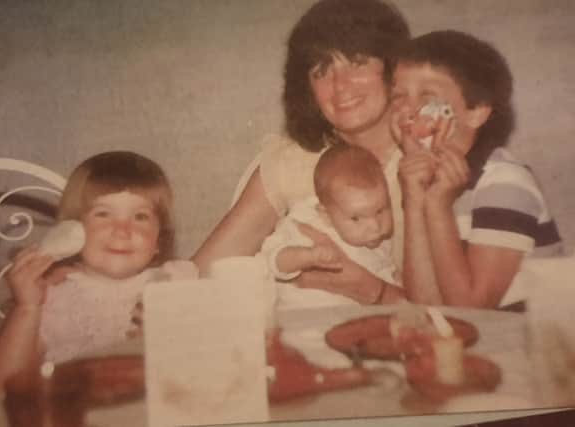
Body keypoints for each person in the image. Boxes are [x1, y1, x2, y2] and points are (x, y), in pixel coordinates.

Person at [193, 0, 410, 305]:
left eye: (357, 62)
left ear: (393, 67)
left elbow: (462, 314)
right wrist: (161, 298)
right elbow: (206, 272)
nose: (340, 86)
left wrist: (375, 291)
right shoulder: (291, 161)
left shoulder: (430, 159)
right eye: (321, 71)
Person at [0, 151, 197, 403]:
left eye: (141, 217)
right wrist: (27, 308)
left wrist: (167, 336)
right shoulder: (51, 296)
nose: (122, 230)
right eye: (103, 214)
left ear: (159, 240)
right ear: (70, 231)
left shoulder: (174, 284)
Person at [391, 30, 563, 308]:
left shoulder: (506, 183)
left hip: (531, 341)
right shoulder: (435, 179)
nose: (409, 110)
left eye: (427, 96)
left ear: (476, 112)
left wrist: (437, 206)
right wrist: (414, 196)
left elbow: (472, 310)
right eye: (398, 97)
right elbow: (426, 303)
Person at [262, 144, 400, 310]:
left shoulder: (377, 240)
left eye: (380, 211)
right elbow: (273, 261)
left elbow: (381, 272)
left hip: (354, 320)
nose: (375, 226)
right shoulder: (306, 223)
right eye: (356, 218)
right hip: (304, 318)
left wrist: (395, 279)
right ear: (326, 215)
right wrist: (307, 256)